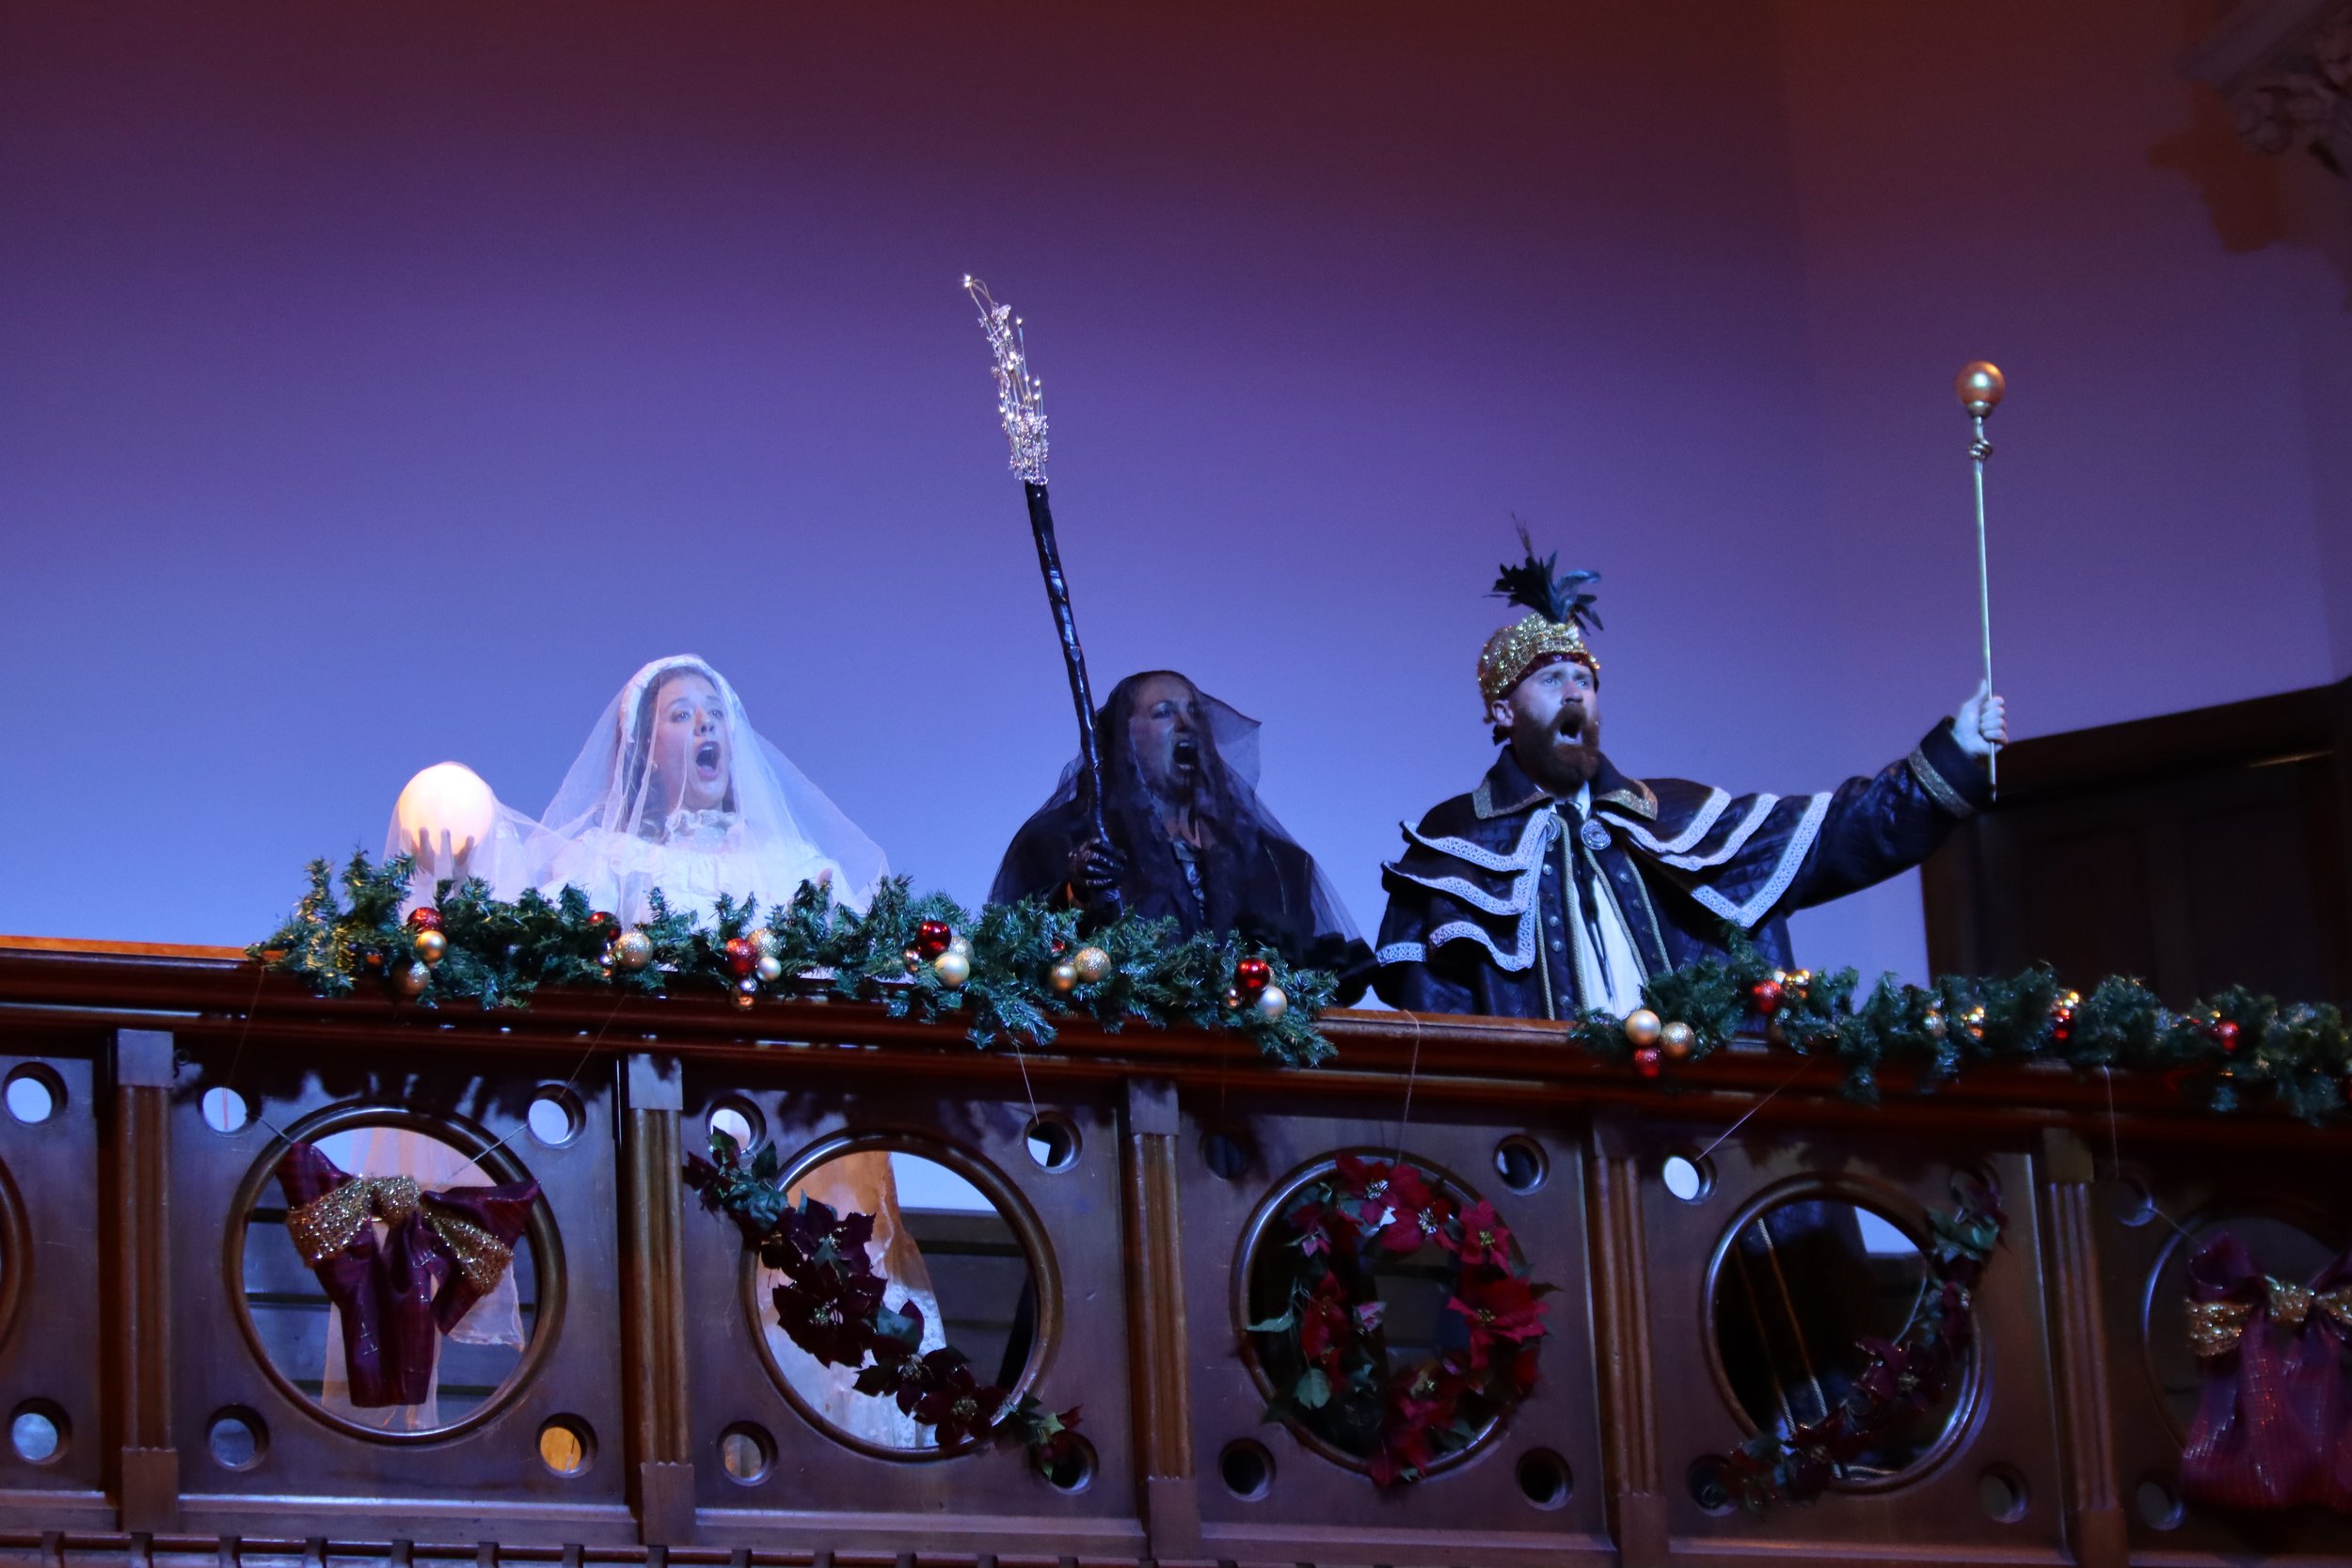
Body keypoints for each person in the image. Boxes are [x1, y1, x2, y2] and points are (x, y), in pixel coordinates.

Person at [1374, 536, 2005, 1017]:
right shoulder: (1454, 838)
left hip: (1694, 1125)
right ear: (1503, 712)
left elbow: (1834, 833)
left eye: (1585, 680)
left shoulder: (1675, 813)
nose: (1574, 691)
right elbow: (1434, 1018)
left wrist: (1952, 753)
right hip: (1539, 1135)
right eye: (1550, 678)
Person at [389, 655, 887, 926]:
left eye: (715, 713)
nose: (705, 724)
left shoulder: (797, 869)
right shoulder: (609, 862)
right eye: (681, 715)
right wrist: (459, 876)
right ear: (648, 748)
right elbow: (530, 933)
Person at [991, 671, 1371, 991]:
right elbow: (1019, 955)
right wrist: (1076, 892)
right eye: (1164, 713)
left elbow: (1315, 985)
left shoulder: (1275, 862)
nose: (1187, 725)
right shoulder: (1062, 840)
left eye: (1194, 712)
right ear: (1124, 739)